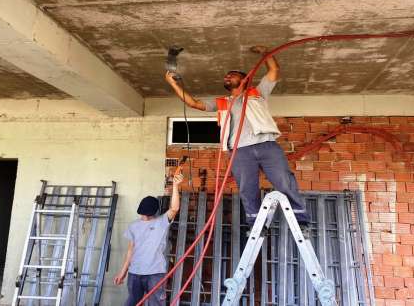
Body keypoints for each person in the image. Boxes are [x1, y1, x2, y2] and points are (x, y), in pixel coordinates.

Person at [164, 46, 310, 228]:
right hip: (240, 152)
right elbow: (194, 103)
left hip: (267, 145)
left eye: (231, 74)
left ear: (244, 79)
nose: (227, 77)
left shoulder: (258, 93)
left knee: (284, 180)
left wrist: (266, 53)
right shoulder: (222, 102)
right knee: (247, 189)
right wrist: (173, 84)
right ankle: (255, 222)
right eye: (226, 76)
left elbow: (274, 70)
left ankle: (300, 218)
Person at [114, 174, 183, 306]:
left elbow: (174, 208)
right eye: (142, 213)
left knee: (156, 304)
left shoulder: (161, 222)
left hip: (155, 273)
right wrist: (122, 272)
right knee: (132, 302)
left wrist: (175, 186)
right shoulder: (133, 226)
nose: (144, 216)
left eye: (146, 214)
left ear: (153, 212)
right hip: (135, 273)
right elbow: (130, 251)